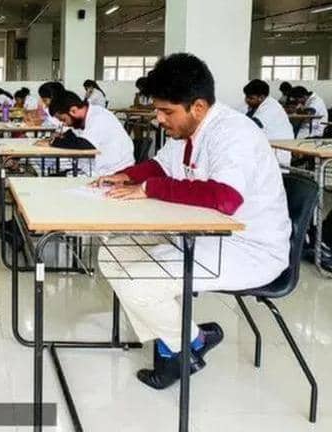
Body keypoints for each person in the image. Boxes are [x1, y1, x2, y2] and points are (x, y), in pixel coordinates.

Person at [94, 53, 291, 390]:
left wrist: (150, 188)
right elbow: (161, 165)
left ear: (197, 107)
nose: (159, 119)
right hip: (204, 234)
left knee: (139, 282)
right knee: (113, 255)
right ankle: (190, 340)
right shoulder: (187, 131)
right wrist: (126, 175)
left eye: (166, 111)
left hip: (249, 248)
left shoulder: (233, 134)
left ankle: (180, 349)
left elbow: (226, 197)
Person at [42, 91, 135, 176]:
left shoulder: (98, 117)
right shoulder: (83, 118)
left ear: (73, 110)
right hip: (94, 168)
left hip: (114, 172)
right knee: (49, 179)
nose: (65, 124)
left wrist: (53, 142)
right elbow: (74, 135)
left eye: (63, 119)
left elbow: (86, 144)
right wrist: (61, 137)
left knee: (50, 181)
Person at [241, 79, 294, 165]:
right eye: (246, 97)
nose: (247, 100)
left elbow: (253, 123)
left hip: (277, 147)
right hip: (267, 145)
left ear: (261, 97)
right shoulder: (255, 105)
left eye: (251, 98)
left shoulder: (270, 106)